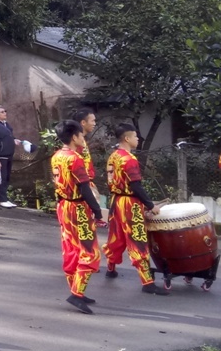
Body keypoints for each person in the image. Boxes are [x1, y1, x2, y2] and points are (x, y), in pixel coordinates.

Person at [104, 123, 167, 295]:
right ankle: (147, 282)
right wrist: (151, 205)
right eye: (135, 136)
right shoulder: (129, 159)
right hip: (130, 204)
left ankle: (111, 268)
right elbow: (136, 186)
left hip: (116, 202)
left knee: (116, 237)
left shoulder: (113, 156)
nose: (138, 139)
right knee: (138, 240)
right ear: (127, 138)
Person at [50, 119, 103, 315]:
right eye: (81, 135)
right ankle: (77, 294)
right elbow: (84, 188)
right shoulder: (75, 158)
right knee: (89, 252)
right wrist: (97, 211)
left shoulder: (56, 156)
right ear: (74, 137)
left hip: (63, 206)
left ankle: (77, 289)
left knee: (71, 249)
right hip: (78, 208)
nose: (83, 138)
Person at [71, 108, 104, 226]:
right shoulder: (75, 143)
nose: (95, 124)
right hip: (81, 186)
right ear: (83, 123)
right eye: (93, 121)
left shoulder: (82, 140)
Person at [0, 104, 22, 208]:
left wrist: (14, 139)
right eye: (2, 112)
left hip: (9, 155)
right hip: (0, 157)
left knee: (6, 177)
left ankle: (6, 199)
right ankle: (2, 199)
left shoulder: (6, 125)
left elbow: (9, 136)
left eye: (5, 111)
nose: (5, 113)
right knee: (1, 178)